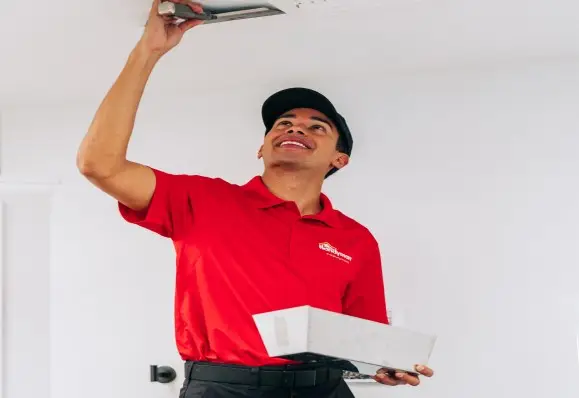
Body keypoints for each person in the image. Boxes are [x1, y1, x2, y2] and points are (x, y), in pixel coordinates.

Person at [76, 0, 435, 397]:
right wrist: (148, 51)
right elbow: (99, 165)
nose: (296, 128)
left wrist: (385, 365)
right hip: (224, 388)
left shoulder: (355, 239)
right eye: (283, 124)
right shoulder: (201, 199)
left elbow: (363, 340)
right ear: (262, 148)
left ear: (339, 158)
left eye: (317, 127)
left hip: (323, 390)